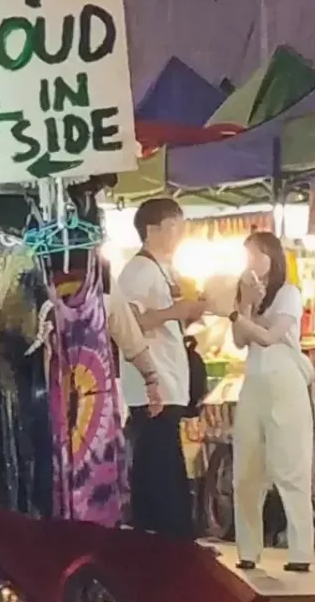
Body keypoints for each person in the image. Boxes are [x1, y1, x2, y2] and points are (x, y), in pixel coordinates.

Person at [109, 197, 205, 539]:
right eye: (173, 225)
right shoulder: (139, 270)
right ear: (152, 230)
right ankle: (167, 534)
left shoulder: (163, 269)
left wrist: (190, 311)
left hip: (167, 378)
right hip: (152, 382)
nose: (180, 232)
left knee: (162, 459)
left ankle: (164, 533)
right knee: (159, 462)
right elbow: (127, 320)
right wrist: (173, 313)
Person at [230, 231, 315, 572]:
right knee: (246, 470)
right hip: (253, 381)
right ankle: (248, 549)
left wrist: (238, 315)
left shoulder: (289, 293)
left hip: (285, 381)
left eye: (256, 255)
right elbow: (239, 341)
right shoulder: (247, 296)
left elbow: (268, 337)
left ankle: (301, 552)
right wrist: (245, 305)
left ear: (273, 257)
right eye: (247, 255)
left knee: (290, 467)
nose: (251, 262)